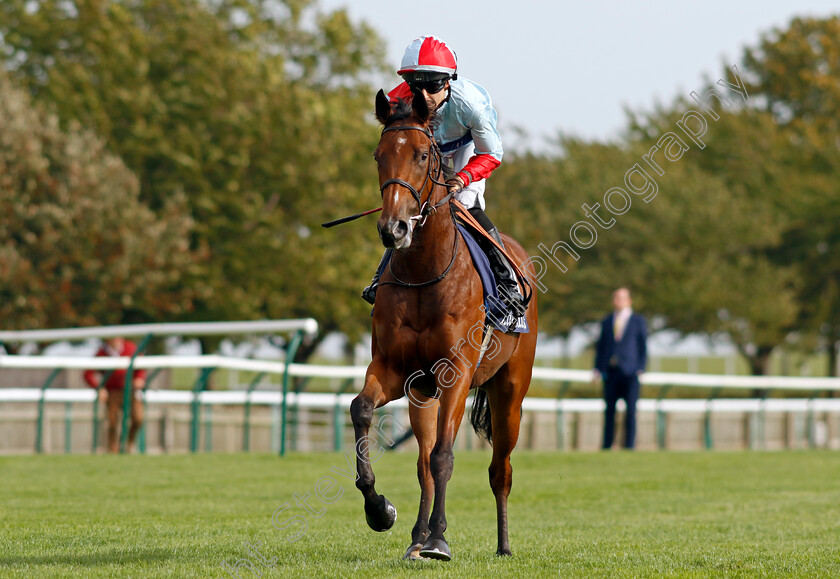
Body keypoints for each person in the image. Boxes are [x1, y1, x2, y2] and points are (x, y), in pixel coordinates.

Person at [362, 35, 525, 317]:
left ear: (448, 81)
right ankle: (381, 276)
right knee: (405, 211)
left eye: (433, 85)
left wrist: (462, 178)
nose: (423, 95)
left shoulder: (471, 104)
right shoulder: (396, 100)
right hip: (421, 155)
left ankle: (507, 279)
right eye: (416, 86)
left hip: (464, 154)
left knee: (465, 207)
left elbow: (492, 153)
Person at [593, 287, 647, 450]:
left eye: (621, 298)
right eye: (615, 298)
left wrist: (640, 368)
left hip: (630, 372)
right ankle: (607, 446)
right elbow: (601, 347)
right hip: (611, 372)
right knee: (609, 412)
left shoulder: (638, 321)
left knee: (630, 412)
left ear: (629, 301)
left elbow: (642, 347)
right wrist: (597, 368)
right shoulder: (607, 321)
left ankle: (629, 446)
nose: (618, 301)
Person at [84, 337, 146, 453]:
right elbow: (87, 374)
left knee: (138, 418)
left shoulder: (130, 348)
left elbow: (141, 367)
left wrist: (139, 378)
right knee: (112, 422)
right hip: (112, 391)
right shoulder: (101, 353)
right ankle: (113, 449)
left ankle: (128, 443)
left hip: (130, 390)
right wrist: (99, 388)